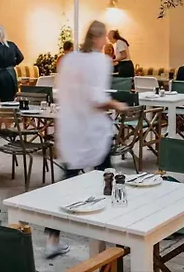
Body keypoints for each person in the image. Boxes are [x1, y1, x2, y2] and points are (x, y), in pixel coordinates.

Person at [45, 21, 127, 258]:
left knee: (67, 184)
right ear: (100, 39)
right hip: (94, 132)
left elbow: (61, 92)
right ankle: (115, 236)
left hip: (72, 131)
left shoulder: (69, 60)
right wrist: (116, 105)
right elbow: (96, 99)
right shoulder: (100, 62)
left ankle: (52, 238)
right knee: (109, 181)